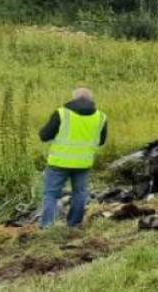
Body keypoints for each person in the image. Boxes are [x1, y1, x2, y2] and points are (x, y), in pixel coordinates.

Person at [39, 87, 108, 228]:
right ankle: (74, 224)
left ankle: (47, 226)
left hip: (59, 162)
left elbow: (44, 135)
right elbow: (101, 141)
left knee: (51, 194)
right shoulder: (101, 117)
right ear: (91, 100)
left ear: (74, 98)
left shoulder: (62, 113)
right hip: (83, 163)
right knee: (80, 193)